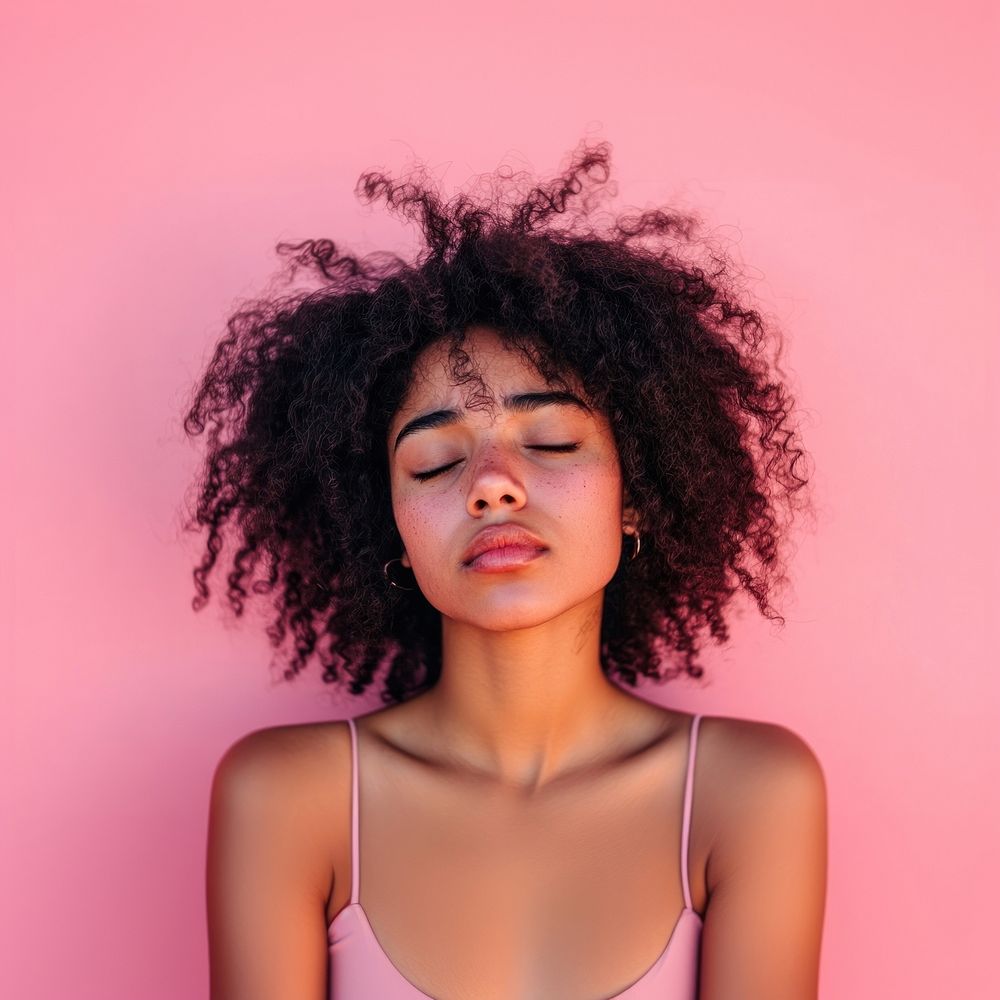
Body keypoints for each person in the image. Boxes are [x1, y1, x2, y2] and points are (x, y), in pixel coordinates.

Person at [190, 139, 828, 999]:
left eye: (553, 441)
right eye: (434, 464)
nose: (491, 487)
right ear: (390, 527)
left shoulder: (749, 795)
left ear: (636, 495)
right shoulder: (285, 800)